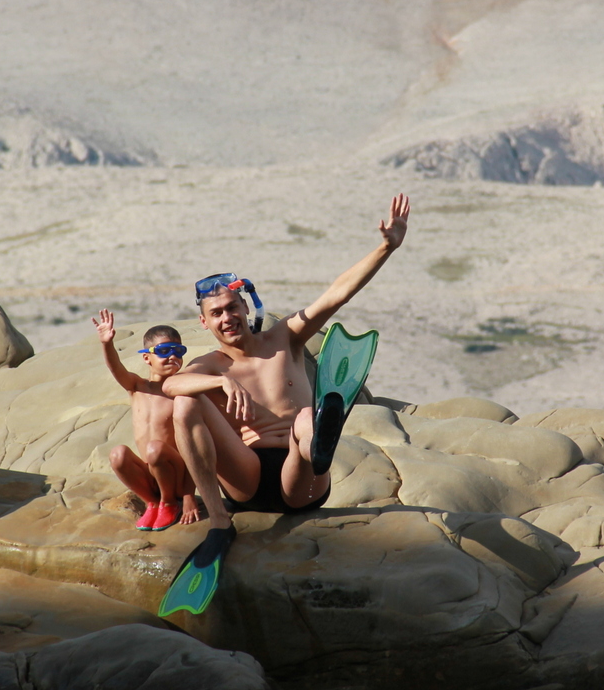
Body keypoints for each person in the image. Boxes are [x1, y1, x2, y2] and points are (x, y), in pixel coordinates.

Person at [163, 194, 410, 527]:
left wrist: (386, 248)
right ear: (204, 322)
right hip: (247, 477)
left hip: (302, 481)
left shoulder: (284, 337)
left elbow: (336, 295)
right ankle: (219, 519)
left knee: (307, 416)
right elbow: (171, 385)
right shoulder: (210, 365)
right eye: (216, 313)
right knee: (184, 402)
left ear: (245, 307)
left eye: (232, 307)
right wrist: (221, 381)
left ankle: (317, 448)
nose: (227, 318)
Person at [91, 310, 193, 531]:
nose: (172, 356)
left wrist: (188, 496)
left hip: (174, 475)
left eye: (178, 351)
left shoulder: (181, 393)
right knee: (118, 454)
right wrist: (107, 344)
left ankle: (169, 503)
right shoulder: (137, 387)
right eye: (164, 351)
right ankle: (152, 503)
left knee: (155, 448)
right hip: (149, 475)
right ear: (147, 357)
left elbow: (195, 447)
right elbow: (115, 368)